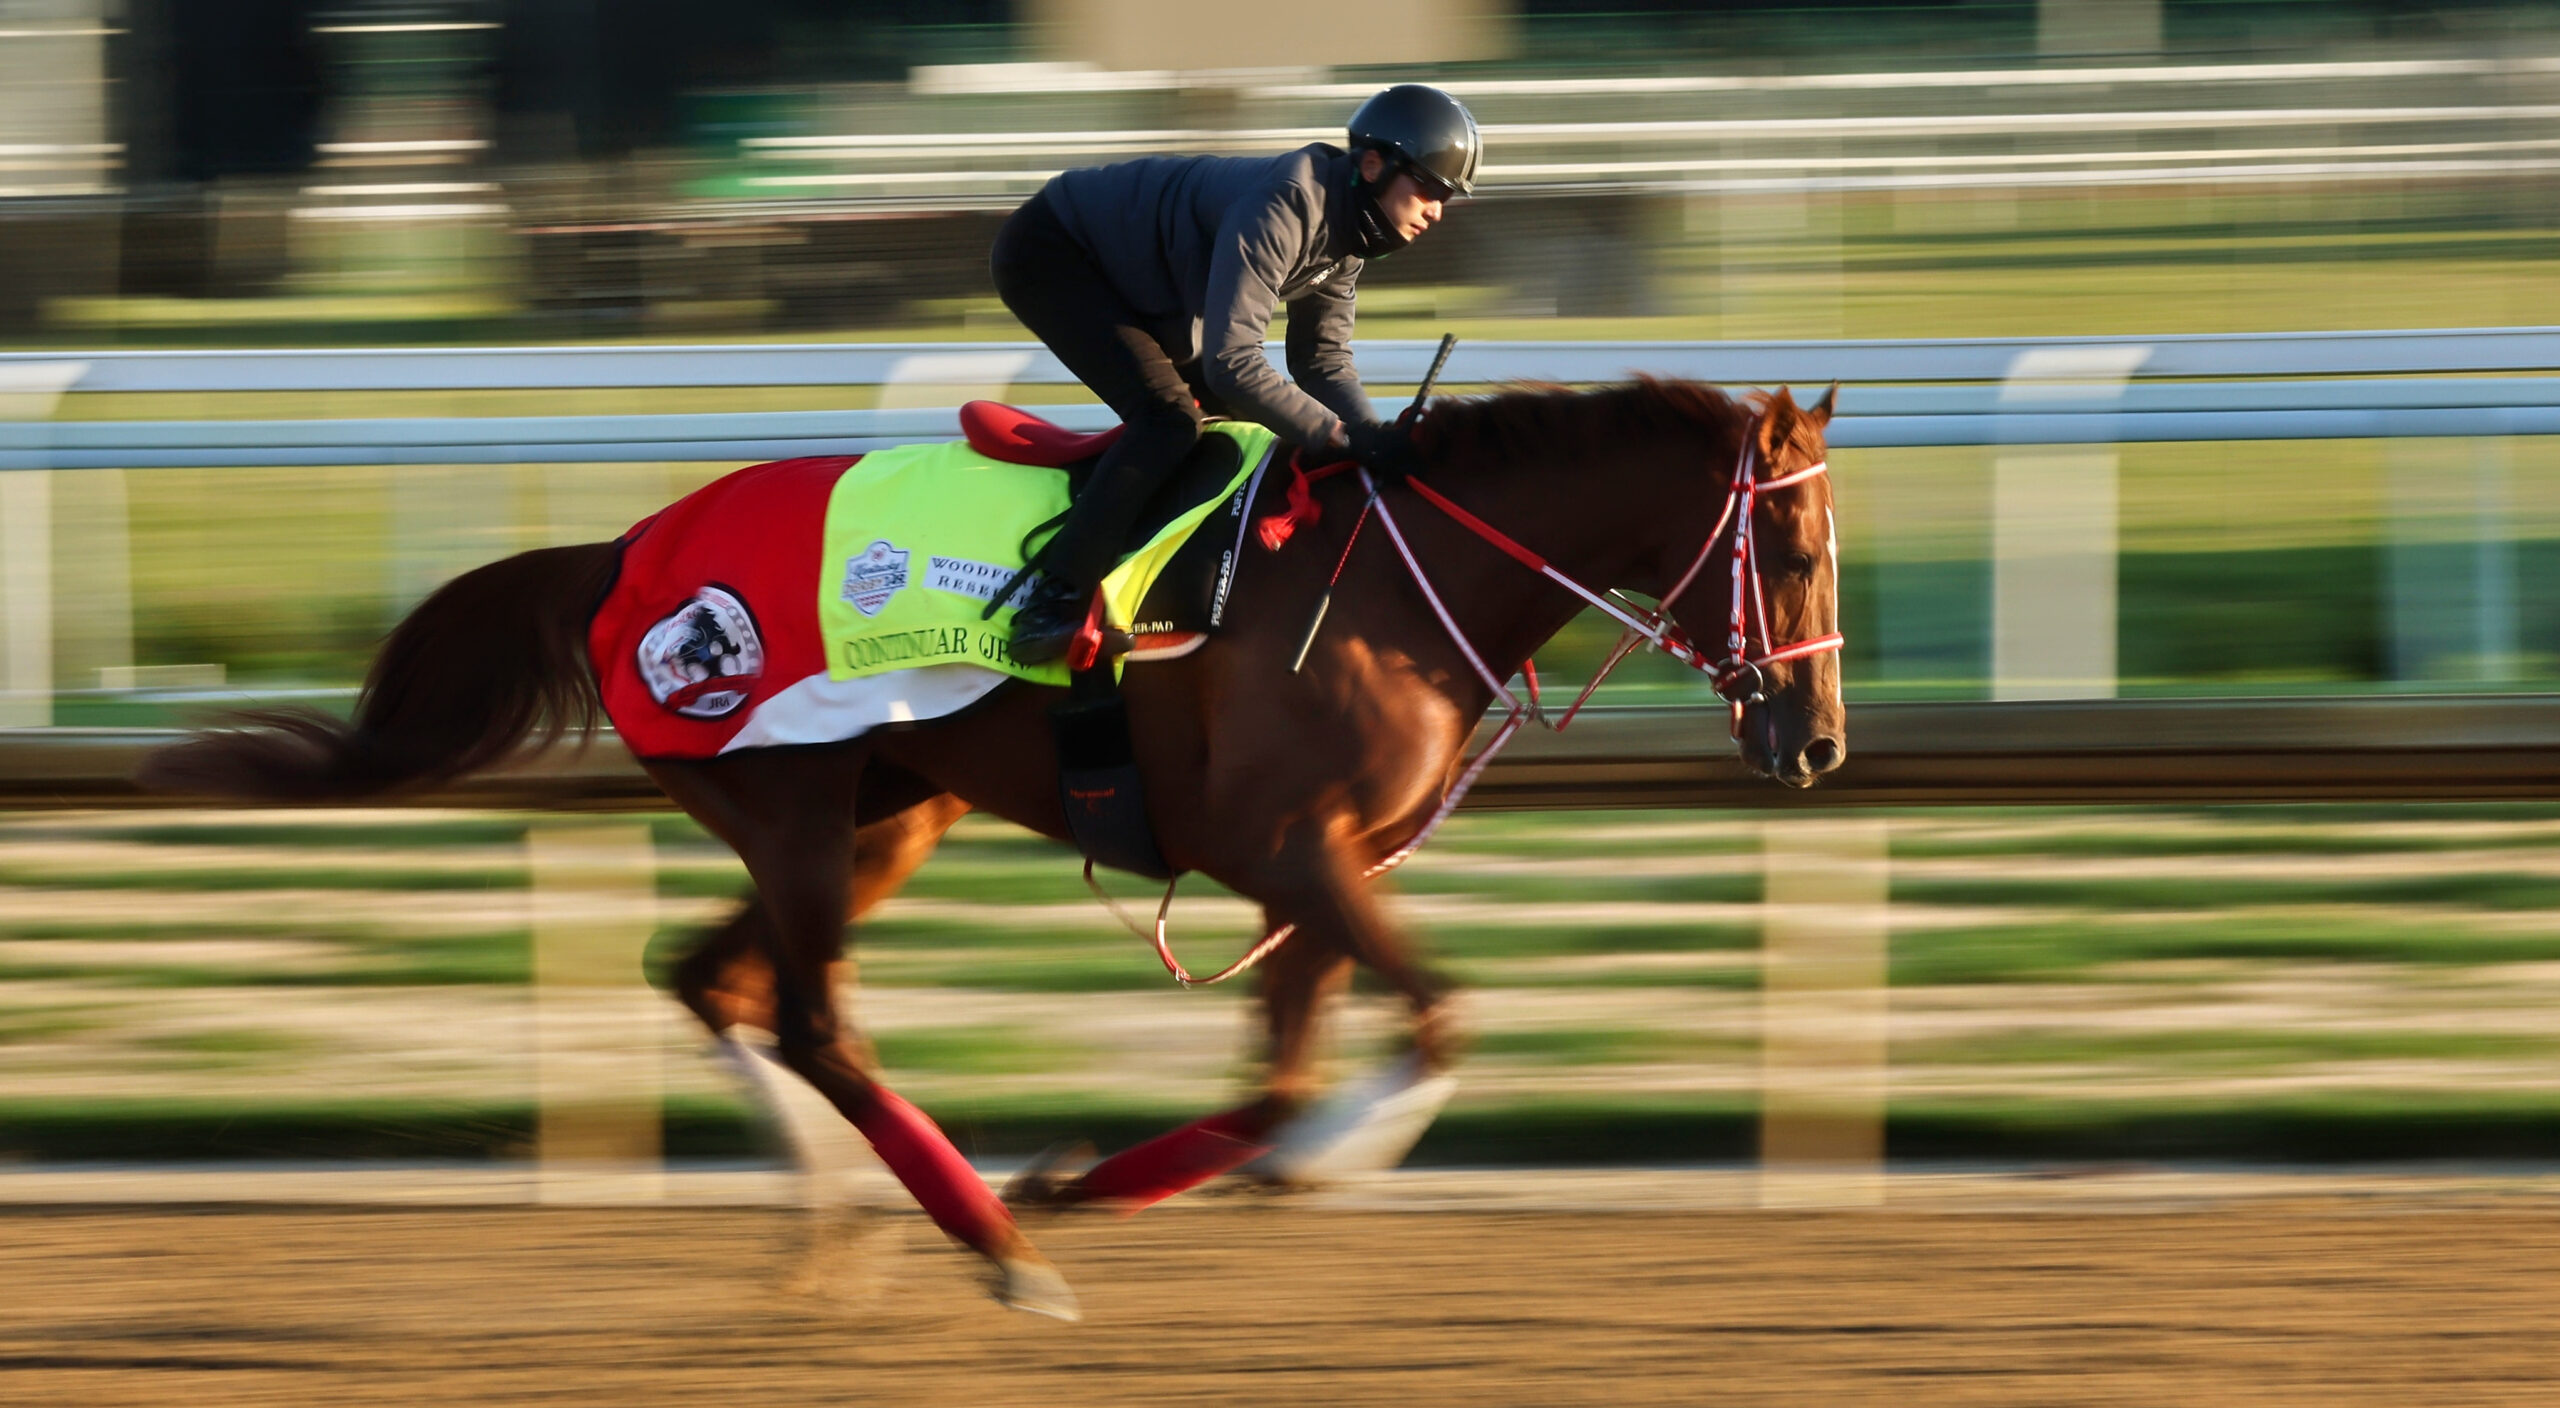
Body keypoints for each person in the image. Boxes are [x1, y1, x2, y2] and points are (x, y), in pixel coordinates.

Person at [987, 83, 1481, 665]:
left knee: (1244, 431)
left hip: (1139, 282)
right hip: (1055, 251)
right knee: (1169, 423)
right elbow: (1231, 362)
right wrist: (1349, 439)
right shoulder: (1289, 202)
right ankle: (1053, 602)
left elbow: (1320, 360)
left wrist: (1374, 440)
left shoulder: (1352, 235)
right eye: (1427, 187)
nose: (1436, 210)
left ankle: (1154, 591)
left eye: (1447, 197)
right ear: (1374, 164)